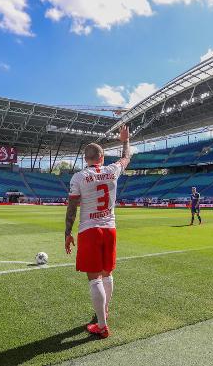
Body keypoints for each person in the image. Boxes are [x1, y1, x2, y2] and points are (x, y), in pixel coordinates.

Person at [64, 125, 131, 339]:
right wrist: (124, 140)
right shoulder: (113, 170)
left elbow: (72, 208)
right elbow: (126, 157)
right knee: (107, 274)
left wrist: (67, 233)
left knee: (94, 279)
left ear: (86, 159)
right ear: (101, 156)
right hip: (110, 229)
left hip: (89, 231)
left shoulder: (79, 177)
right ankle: (104, 312)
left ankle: (101, 325)